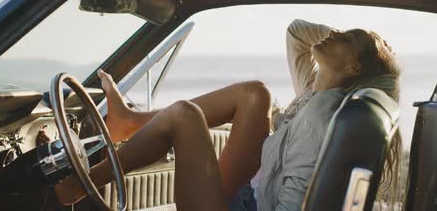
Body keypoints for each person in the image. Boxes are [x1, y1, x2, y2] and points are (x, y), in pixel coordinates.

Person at [55, 19, 401, 211]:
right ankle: (128, 122)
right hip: (250, 195)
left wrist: (362, 48)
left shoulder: (322, 121)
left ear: (353, 66)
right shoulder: (316, 88)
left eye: (346, 38)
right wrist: (341, 43)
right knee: (255, 94)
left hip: (250, 207)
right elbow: (297, 31)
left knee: (184, 116)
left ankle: (75, 187)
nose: (333, 33)